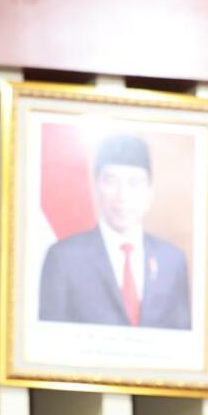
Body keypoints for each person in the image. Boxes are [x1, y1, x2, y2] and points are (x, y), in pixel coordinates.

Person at [38, 134, 191, 330]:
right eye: (111, 181)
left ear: (149, 193)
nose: (122, 196)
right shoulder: (63, 258)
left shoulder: (172, 260)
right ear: (96, 187)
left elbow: (182, 337)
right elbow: (48, 337)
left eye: (133, 183)